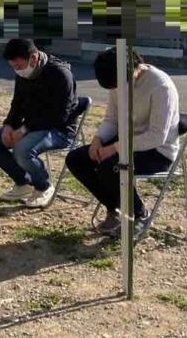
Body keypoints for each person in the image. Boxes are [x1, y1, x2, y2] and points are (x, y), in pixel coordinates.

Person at [65, 48, 180, 238]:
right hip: (126, 142)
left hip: (157, 151)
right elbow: (112, 118)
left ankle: (140, 214)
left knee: (111, 165)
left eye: (120, 83)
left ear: (133, 68)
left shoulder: (161, 86)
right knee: (77, 159)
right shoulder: (118, 83)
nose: (118, 88)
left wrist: (114, 148)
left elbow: (156, 136)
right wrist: (98, 140)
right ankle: (114, 208)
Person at [0, 38, 77, 208]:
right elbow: (17, 104)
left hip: (59, 130)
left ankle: (44, 186)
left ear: (33, 58)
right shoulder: (24, 73)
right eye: (13, 67)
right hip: (31, 127)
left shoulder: (60, 74)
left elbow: (59, 116)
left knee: (22, 149)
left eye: (19, 66)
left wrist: (25, 129)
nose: (17, 71)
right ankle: (23, 182)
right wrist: (9, 125)